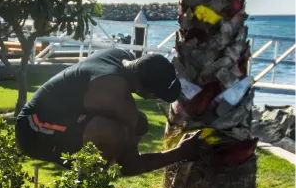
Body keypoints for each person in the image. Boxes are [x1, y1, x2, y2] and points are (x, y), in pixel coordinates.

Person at [15, 48, 202, 176]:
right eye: (157, 96)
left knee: (138, 123)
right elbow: (128, 166)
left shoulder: (121, 55)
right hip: (32, 128)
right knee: (113, 133)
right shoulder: (114, 94)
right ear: (147, 93)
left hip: (61, 118)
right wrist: (180, 153)